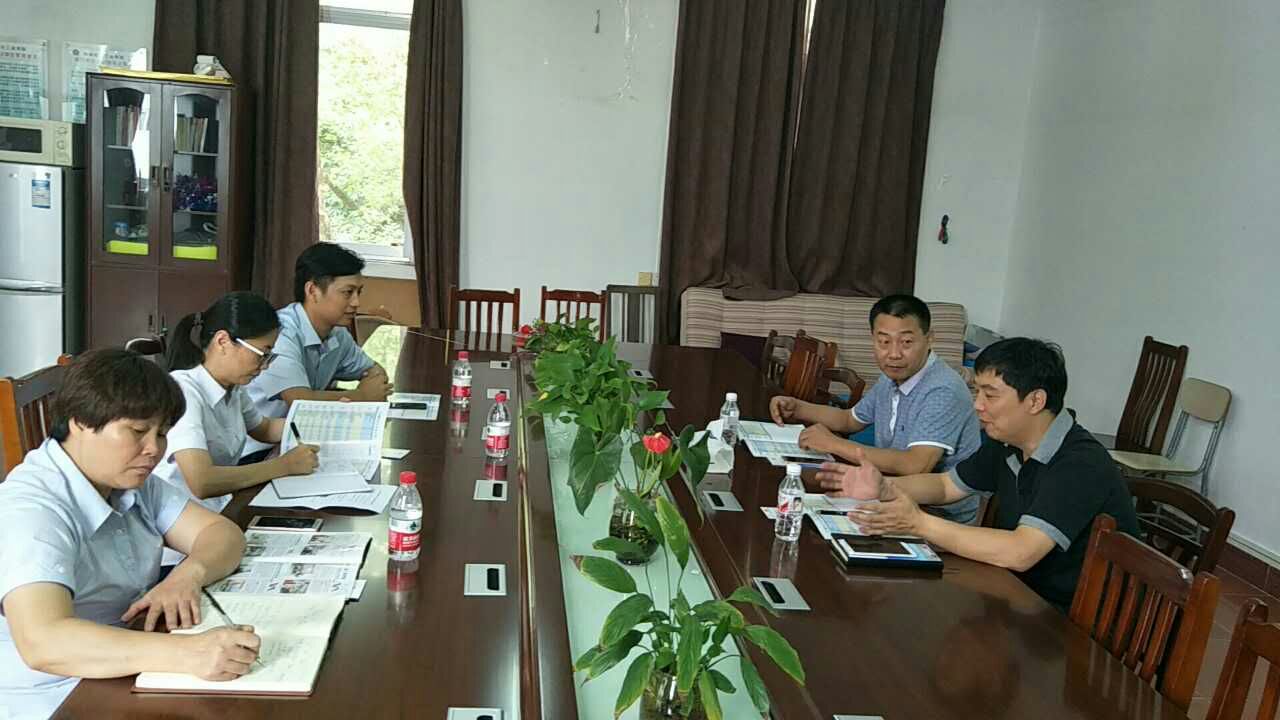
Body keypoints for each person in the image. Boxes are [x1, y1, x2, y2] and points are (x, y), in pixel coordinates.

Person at [0, 349, 260, 718]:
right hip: (57, 693)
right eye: (137, 431)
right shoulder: (31, 510)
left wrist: (187, 575)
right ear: (80, 421)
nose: (154, 450)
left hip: (125, 659)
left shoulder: (129, 481)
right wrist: (190, 654)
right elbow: (44, 642)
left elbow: (222, 534)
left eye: (162, 433)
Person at [817, 337, 1140, 610]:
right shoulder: (1008, 442)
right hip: (1014, 593)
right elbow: (947, 485)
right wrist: (884, 487)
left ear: (1035, 401)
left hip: (1066, 623)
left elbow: (1021, 551)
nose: (977, 405)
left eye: (990, 395)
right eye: (978, 392)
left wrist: (918, 523)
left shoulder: (1079, 464)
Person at [770, 294, 982, 523]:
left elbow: (916, 464)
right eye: (884, 342)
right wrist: (798, 408)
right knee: (794, 507)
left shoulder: (943, 389)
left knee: (801, 517)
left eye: (906, 342)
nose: (894, 354)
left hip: (937, 515)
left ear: (929, 339)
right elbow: (849, 420)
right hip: (888, 490)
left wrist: (834, 444)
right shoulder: (891, 377)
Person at [156, 292, 319, 565]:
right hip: (181, 543)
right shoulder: (185, 391)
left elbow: (265, 429)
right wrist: (284, 466)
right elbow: (202, 481)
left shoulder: (232, 387)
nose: (264, 367)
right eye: (262, 355)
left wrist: (325, 421)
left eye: (270, 357)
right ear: (223, 341)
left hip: (220, 516)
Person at [246, 243, 393, 422]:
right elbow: (300, 401)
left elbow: (374, 371)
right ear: (312, 291)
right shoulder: (280, 334)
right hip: (261, 437)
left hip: (306, 428)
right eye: (348, 292)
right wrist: (362, 395)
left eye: (358, 292)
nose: (356, 302)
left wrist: (371, 387)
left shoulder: (337, 333)